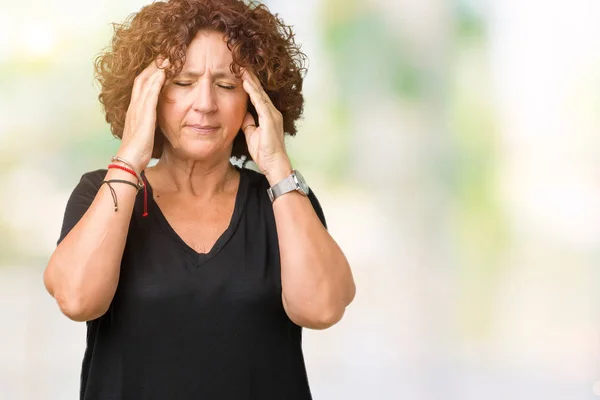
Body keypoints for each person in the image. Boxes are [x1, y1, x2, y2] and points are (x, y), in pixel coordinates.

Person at [43, 0, 355, 399]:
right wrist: (130, 159)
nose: (205, 104)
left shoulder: (283, 199)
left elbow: (322, 309)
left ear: (255, 100)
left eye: (226, 85)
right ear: (147, 95)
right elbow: (77, 300)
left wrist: (278, 166)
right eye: (183, 83)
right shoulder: (101, 193)